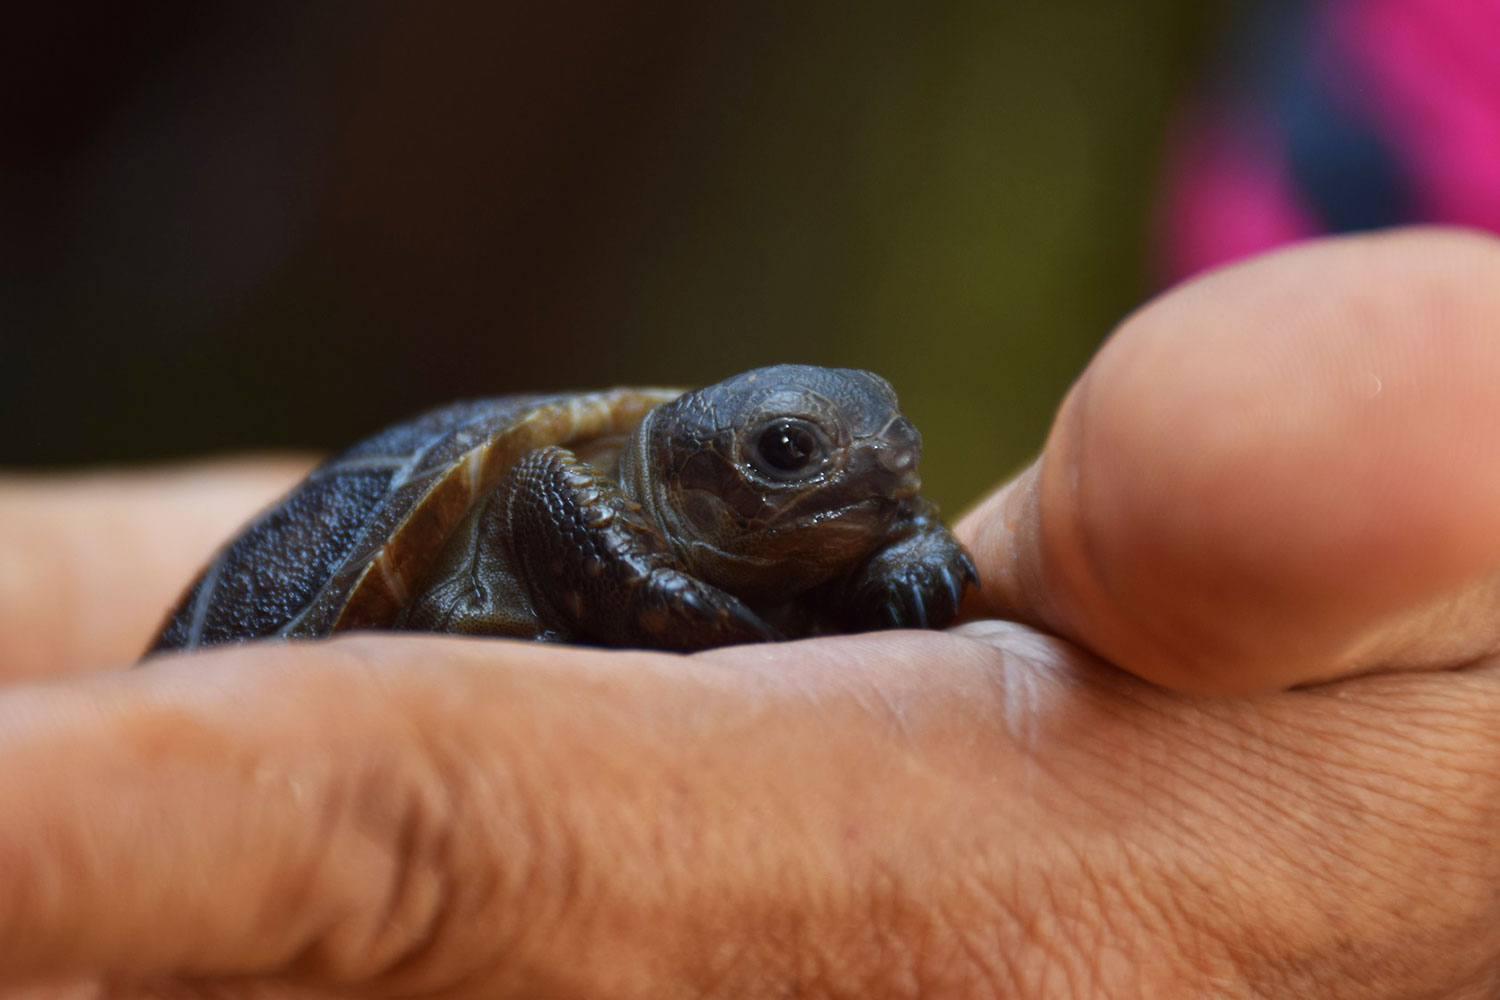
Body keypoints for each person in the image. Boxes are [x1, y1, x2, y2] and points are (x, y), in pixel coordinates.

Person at [2, 228, 1499, 998]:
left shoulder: (834, 526)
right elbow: (549, 515)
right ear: (694, 467)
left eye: (876, 453)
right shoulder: (564, 499)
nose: (873, 481)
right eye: (790, 457)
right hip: (310, 625)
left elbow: (911, 555)